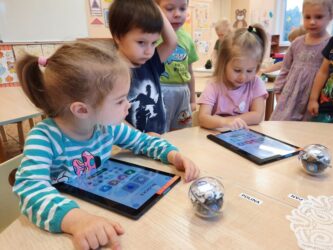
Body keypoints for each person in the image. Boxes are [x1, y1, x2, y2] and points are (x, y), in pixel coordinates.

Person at [13, 41, 200, 250]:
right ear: (82, 110)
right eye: (120, 101)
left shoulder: (106, 128)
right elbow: (29, 189)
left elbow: (142, 140)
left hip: (102, 205)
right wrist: (77, 220)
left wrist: (173, 155)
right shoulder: (43, 138)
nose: (128, 106)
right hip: (63, 224)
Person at [108, 0, 177, 134]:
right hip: (128, 149)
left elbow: (172, 42)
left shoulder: (150, 61)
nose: (149, 51)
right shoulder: (109, 71)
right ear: (118, 36)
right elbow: (111, 119)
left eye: (154, 43)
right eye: (141, 42)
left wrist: (154, 6)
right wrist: (142, 139)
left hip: (157, 142)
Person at [270, 0, 333, 121]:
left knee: (304, 134)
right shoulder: (296, 43)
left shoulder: (331, 44)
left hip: (311, 102)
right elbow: (285, 69)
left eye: (319, 17)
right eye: (307, 17)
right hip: (288, 99)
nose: (312, 21)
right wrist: (278, 91)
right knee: (280, 131)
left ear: (331, 15)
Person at [197, 24, 268, 130]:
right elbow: (202, 117)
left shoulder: (255, 83)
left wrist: (232, 121)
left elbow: (257, 115)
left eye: (249, 71)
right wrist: (224, 122)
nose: (243, 77)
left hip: (243, 140)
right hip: (215, 139)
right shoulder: (214, 85)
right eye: (237, 70)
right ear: (223, 63)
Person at [156, 0, 199, 131]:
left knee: (182, 129)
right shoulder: (152, 36)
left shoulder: (187, 38)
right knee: (160, 130)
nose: (177, 14)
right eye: (169, 9)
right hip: (160, 91)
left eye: (182, 8)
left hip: (182, 92)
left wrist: (192, 99)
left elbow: (190, 71)